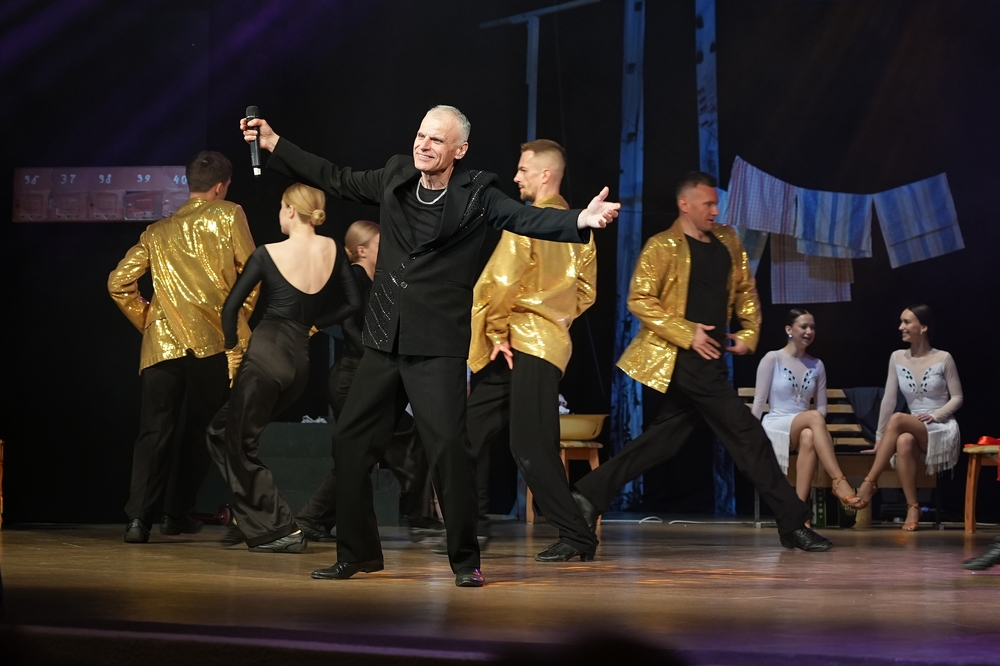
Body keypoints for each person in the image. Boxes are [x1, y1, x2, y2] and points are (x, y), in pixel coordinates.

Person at [241, 104, 618, 586]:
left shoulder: (477, 192)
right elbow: (335, 177)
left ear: (459, 150)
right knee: (349, 443)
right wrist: (275, 144)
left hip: (436, 345)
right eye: (421, 135)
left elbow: (523, 218)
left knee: (448, 451)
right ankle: (356, 553)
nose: (424, 145)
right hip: (384, 340)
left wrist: (581, 220)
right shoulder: (396, 175)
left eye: (436, 139)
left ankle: (465, 561)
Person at [571, 171, 833, 553]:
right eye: (708, 204)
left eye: (716, 204)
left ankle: (588, 494)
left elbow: (745, 289)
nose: (715, 210)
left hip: (711, 360)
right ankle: (792, 522)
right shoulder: (662, 246)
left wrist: (748, 333)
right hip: (683, 358)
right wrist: (686, 332)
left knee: (663, 441)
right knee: (748, 436)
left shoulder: (728, 239)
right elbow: (640, 299)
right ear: (685, 204)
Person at [108, 151, 256, 544]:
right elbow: (253, 273)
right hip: (214, 342)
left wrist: (150, 322)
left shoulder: (156, 232)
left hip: (162, 345)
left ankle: (138, 520)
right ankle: (176, 513)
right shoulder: (229, 214)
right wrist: (236, 319)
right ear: (221, 187)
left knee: (154, 431)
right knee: (205, 430)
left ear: (190, 184)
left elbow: (118, 283)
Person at [206, 183, 362, 553]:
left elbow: (230, 308)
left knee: (235, 442)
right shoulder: (332, 250)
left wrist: (232, 353)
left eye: (281, 206)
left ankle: (279, 528)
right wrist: (315, 325)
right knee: (222, 432)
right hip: (299, 363)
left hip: (266, 356)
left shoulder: (267, 253)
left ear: (291, 210)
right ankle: (256, 519)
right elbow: (353, 303)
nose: (279, 213)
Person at [465, 139, 598, 561]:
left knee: (531, 444)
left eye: (523, 169)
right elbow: (586, 292)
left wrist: (497, 330)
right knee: (468, 431)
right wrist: (554, 316)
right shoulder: (578, 228)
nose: (516, 177)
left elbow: (501, 280)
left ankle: (577, 534)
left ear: (545, 174)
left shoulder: (528, 221)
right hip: (539, 342)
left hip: (523, 343)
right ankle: (467, 526)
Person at [294, 221, 436, 542]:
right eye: (380, 244)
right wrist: (378, 359)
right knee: (365, 450)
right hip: (352, 377)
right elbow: (349, 326)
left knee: (363, 453)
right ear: (361, 249)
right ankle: (419, 516)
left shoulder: (378, 280)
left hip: (366, 374)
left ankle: (314, 519)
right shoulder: (355, 277)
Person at [853, 304, 962, 531]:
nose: (901, 327)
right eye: (901, 322)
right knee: (903, 441)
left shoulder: (944, 358)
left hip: (940, 427)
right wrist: (880, 438)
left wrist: (936, 416)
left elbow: (958, 398)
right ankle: (913, 507)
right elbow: (889, 399)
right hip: (915, 426)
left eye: (907, 322)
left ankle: (869, 482)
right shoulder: (897, 357)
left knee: (897, 420)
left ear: (923, 327)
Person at [752, 308, 861, 509]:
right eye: (803, 326)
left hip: (803, 425)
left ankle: (799, 511)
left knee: (809, 436)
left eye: (812, 327)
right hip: (777, 423)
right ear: (789, 329)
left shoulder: (816, 364)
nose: (809, 331)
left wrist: (812, 421)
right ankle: (838, 480)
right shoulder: (772, 358)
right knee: (814, 418)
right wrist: (750, 436)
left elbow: (822, 407)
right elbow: (759, 401)